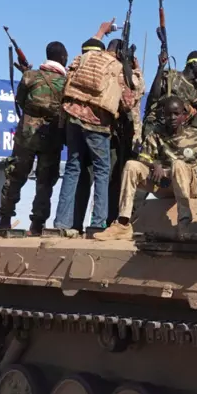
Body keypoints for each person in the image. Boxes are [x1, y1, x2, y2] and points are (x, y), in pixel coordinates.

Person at [54, 22, 144, 236]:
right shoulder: (117, 69)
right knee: (102, 171)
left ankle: (62, 223)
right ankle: (98, 222)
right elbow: (128, 103)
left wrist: (101, 31)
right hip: (96, 122)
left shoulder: (88, 57)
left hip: (72, 116)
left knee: (72, 168)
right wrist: (135, 71)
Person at [99, 96, 197, 240]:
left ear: (184, 116)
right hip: (165, 184)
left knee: (178, 164)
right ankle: (123, 223)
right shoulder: (156, 135)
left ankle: (184, 222)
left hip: (189, 185)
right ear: (163, 115)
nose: (172, 117)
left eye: (176, 114)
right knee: (131, 165)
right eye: (168, 114)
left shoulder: (194, 135)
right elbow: (143, 157)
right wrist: (154, 165)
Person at [0, 41, 69, 234]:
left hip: (27, 135)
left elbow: (20, 100)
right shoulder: (67, 82)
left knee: (15, 175)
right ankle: (37, 224)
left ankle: (5, 219)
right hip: (52, 136)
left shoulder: (30, 76)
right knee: (45, 181)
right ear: (63, 58)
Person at [145, 50, 197, 121]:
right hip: (159, 122)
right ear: (194, 63)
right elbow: (153, 98)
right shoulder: (170, 77)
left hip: (182, 128)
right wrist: (160, 68)